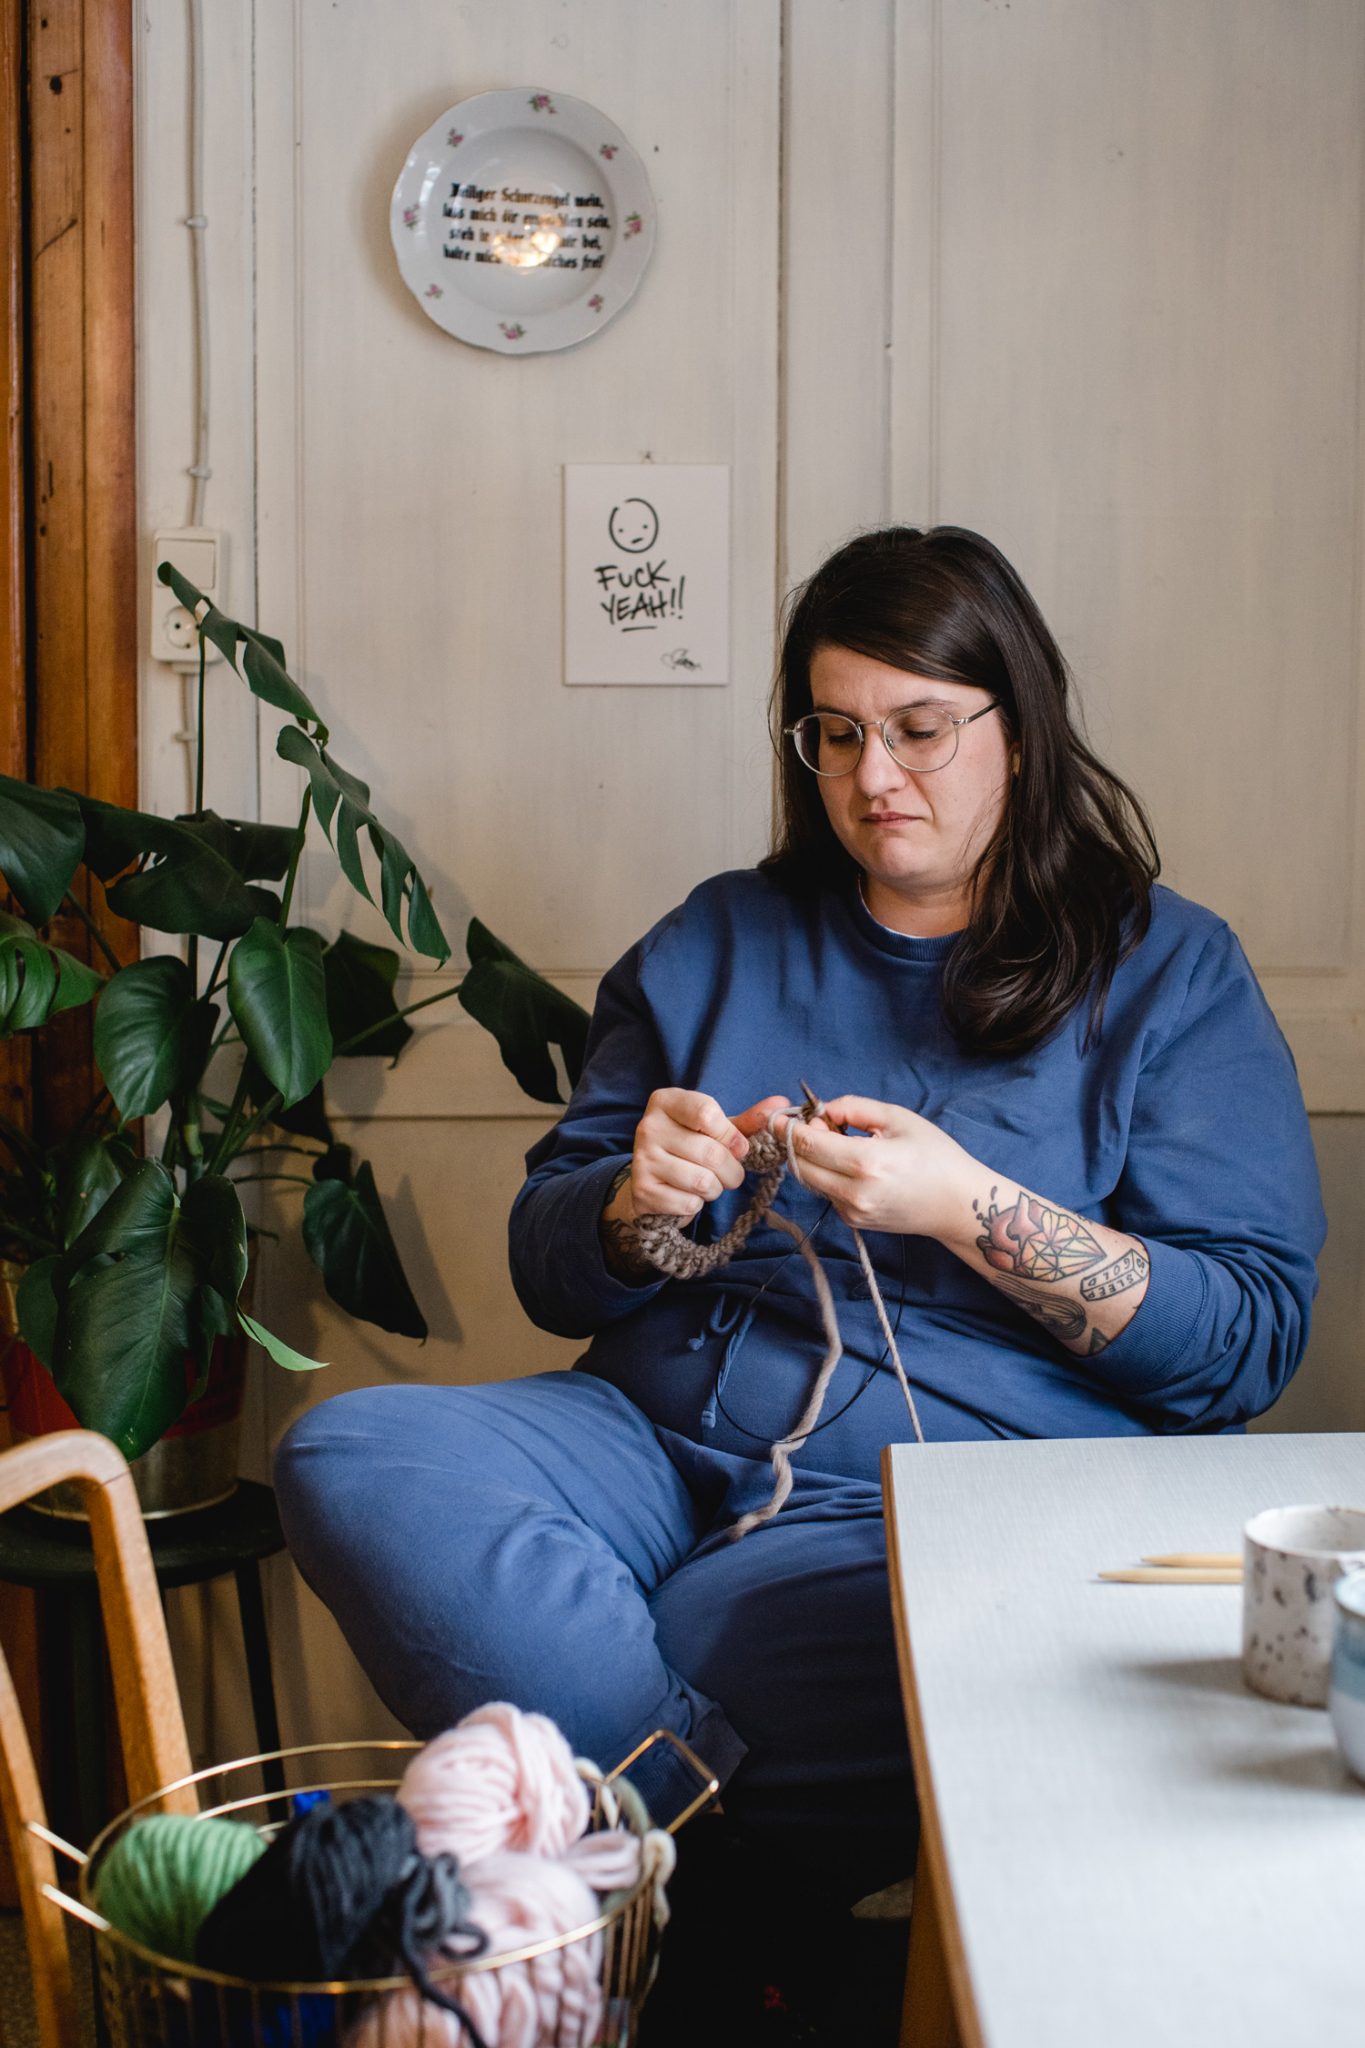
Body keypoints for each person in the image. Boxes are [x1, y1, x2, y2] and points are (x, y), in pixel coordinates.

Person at [274, 526, 1325, 2040]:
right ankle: (701, 1867)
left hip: (940, 1488)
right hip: (643, 1435)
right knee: (355, 1451)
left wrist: (968, 1207)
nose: (872, 780)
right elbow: (548, 1261)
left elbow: (1243, 1343)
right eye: (832, 735)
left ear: (1016, 733)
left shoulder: (1162, 970)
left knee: (716, 1637)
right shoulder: (717, 936)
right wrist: (636, 1202)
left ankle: (641, 1890)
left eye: (916, 729)